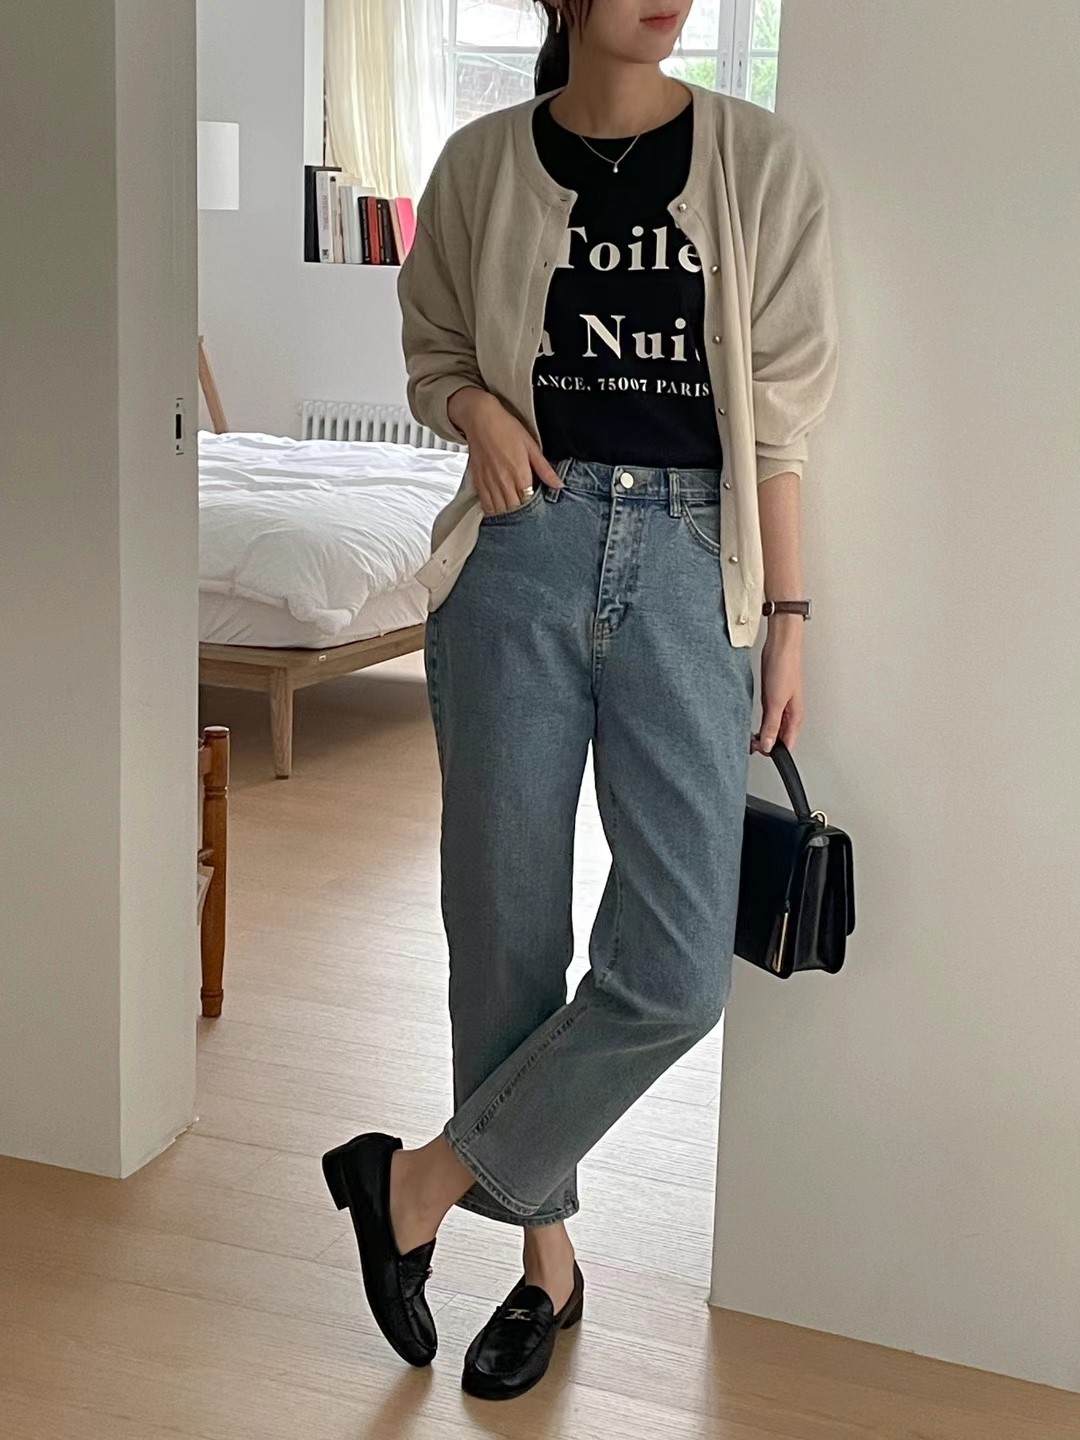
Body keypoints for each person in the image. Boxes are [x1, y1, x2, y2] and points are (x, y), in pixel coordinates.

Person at [322, 0, 839, 1402]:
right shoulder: (481, 163)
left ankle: (415, 1186)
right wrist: (478, 412)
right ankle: (546, 1268)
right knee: (504, 934)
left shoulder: (761, 164)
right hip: (519, 555)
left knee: (672, 968)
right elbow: (434, 353)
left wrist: (789, 623)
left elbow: (781, 423)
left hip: (690, 566)